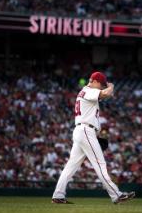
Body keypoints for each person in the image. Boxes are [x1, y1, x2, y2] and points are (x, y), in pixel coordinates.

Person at [52, 71, 135, 204]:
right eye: (101, 85)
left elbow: (106, 95)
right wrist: (111, 86)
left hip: (82, 131)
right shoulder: (88, 90)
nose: (101, 87)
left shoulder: (86, 92)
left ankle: (58, 195)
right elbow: (107, 93)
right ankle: (116, 195)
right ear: (95, 81)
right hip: (86, 131)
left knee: (70, 166)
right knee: (100, 165)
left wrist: (106, 88)